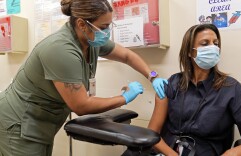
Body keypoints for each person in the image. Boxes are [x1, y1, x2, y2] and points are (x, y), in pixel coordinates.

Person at [0, 0, 168, 155]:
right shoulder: (60, 49)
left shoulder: (91, 40)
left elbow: (126, 56)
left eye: (109, 26)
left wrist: (152, 76)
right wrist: (124, 97)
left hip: (41, 122)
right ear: (82, 24)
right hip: (17, 122)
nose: (107, 32)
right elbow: (80, 105)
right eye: (103, 27)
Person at [147, 24, 241, 156]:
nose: (213, 48)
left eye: (216, 43)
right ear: (189, 52)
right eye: (205, 43)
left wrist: (232, 153)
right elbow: (153, 135)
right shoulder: (173, 83)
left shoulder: (230, 88)